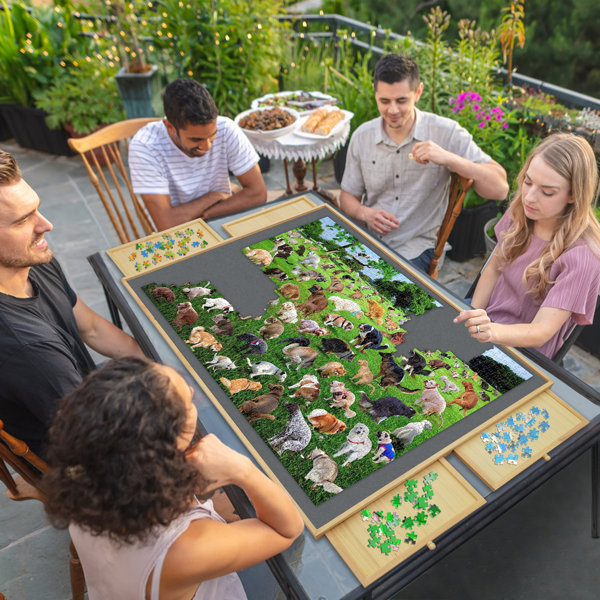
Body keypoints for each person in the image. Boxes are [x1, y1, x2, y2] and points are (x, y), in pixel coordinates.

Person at [43, 357, 304, 600]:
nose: (193, 393)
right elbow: (286, 530)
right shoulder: (186, 549)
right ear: (162, 444)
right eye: (186, 402)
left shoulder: (85, 473)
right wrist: (244, 470)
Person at [0, 149, 144, 456]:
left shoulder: (32, 262)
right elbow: (98, 443)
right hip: (88, 456)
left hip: (84, 396)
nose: (45, 225)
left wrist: (162, 363)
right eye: (23, 221)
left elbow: (90, 327)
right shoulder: (27, 347)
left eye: (36, 209)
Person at [339, 53, 509, 272]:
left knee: (379, 298)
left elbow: (500, 189)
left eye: (401, 101)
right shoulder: (362, 136)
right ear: (375, 93)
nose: (392, 110)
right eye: (384, 101)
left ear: (418, 92)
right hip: (366, 238)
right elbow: (347, 197)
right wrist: (366, 214)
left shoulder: (445, 131)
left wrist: (448, 158)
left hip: (415, 248)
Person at [454, 133, 600, 359]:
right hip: (487, 321)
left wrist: (487, 330)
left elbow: (540, 332)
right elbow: (493, 269)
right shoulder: (521, 212)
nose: (529, 197)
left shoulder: (583, 256)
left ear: (574, 195)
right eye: (528, 182)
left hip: (526, 354)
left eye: (547, 191)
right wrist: (474, 314)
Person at [129, 78, 267, 230]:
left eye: (212, 135)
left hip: (218, 218)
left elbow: (258, 194)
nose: (207, 146)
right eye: (196, 139)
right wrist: (215, 196)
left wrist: (206, 215)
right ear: (170, 127)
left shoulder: (226, 128)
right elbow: (166, 224)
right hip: (177, 236)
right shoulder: (145, 147)